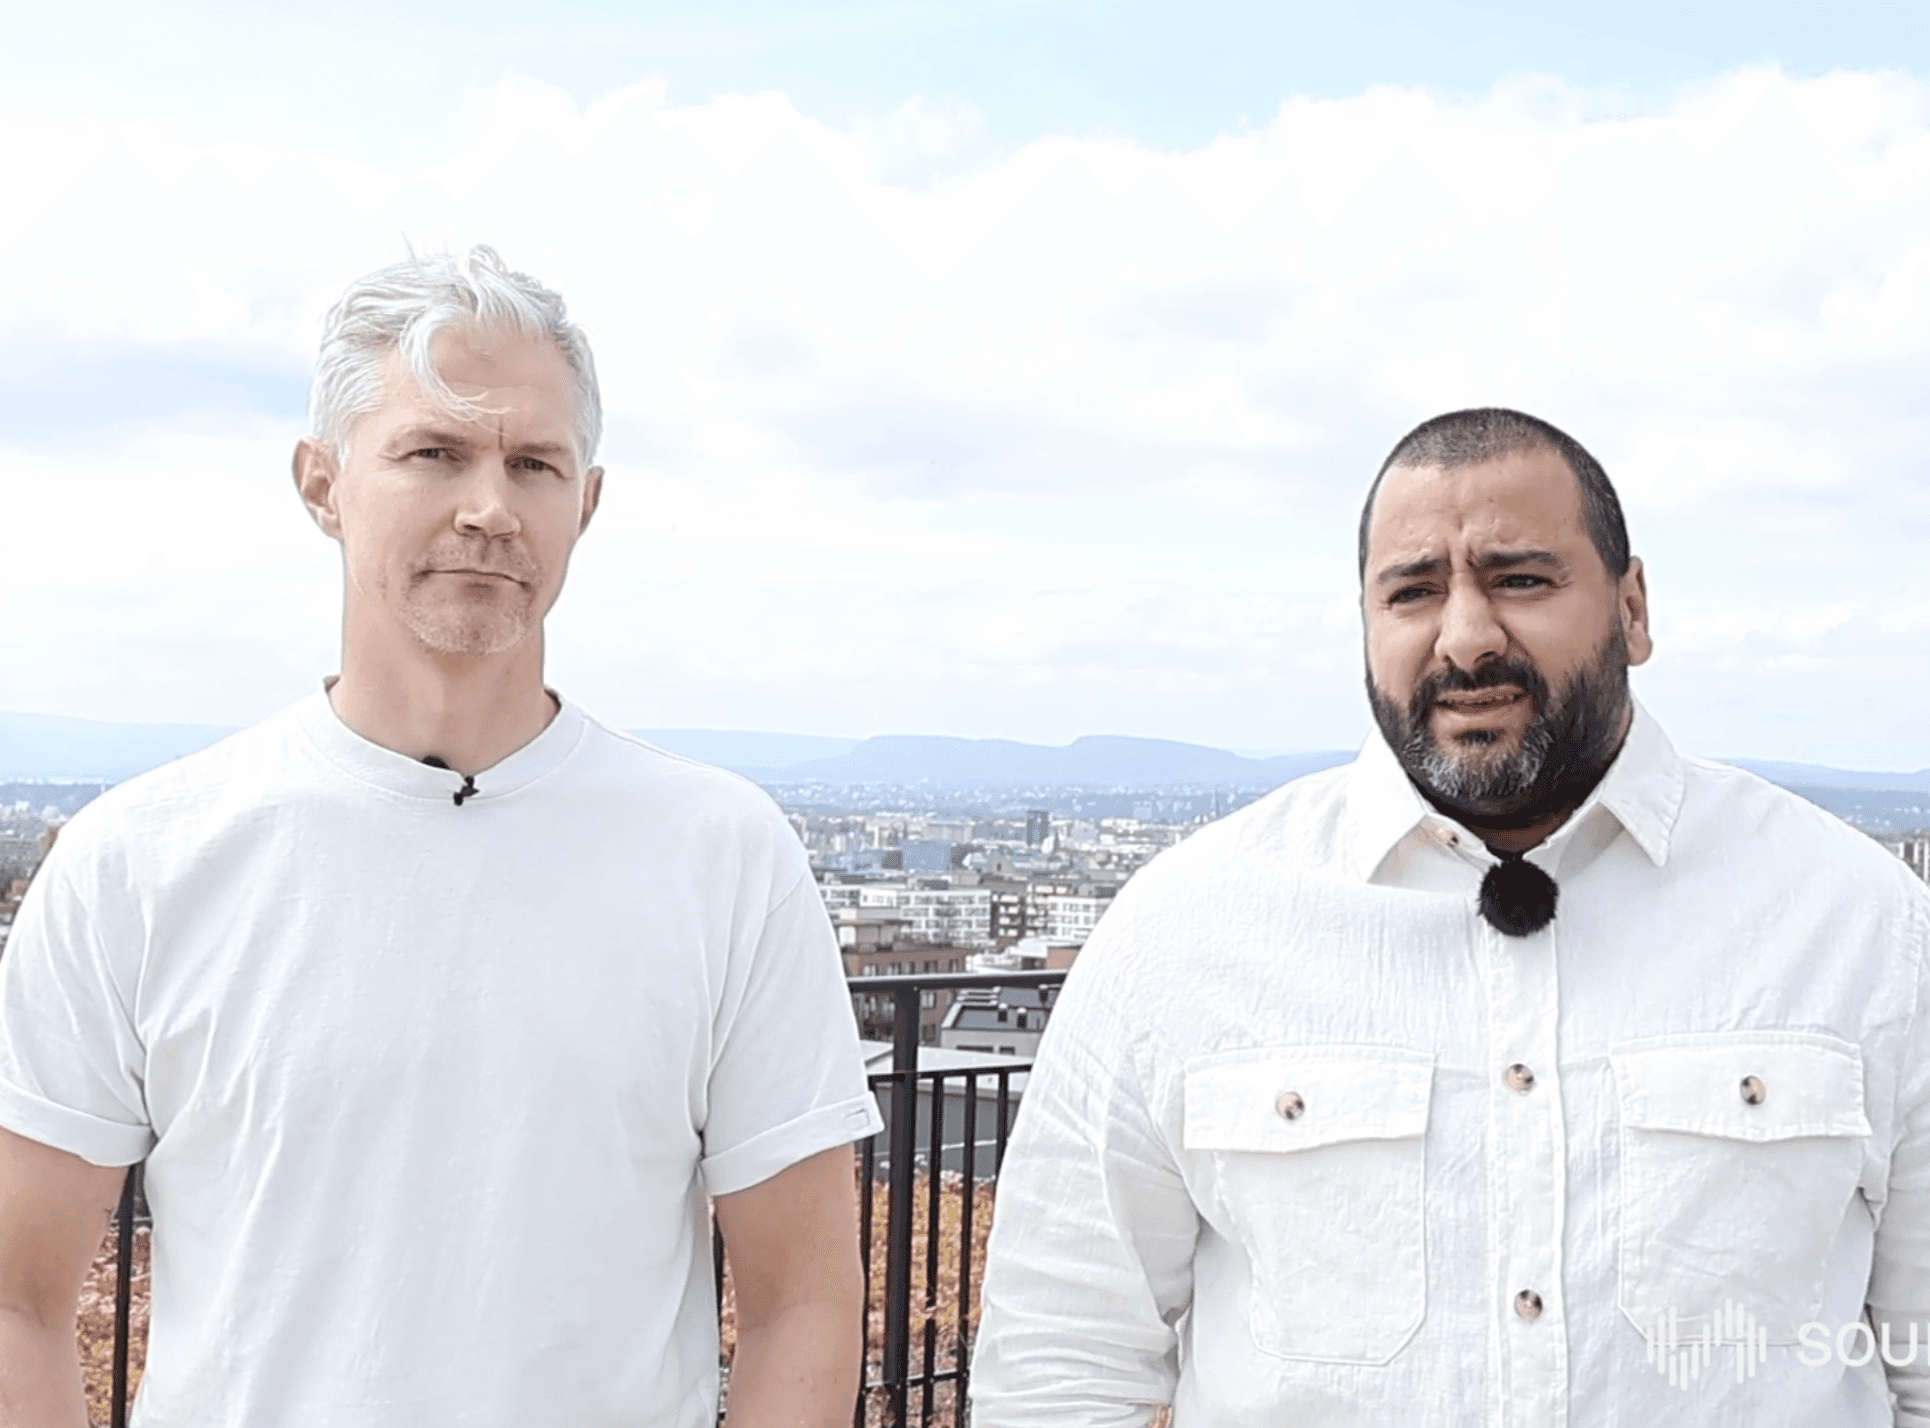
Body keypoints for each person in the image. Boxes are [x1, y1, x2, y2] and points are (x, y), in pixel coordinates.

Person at [0, 246, 881, 1428]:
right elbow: (15, 1295)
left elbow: (805, 1304)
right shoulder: (140, 861)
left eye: (534, 464)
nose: (489, 506)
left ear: (590, 501)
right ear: (321, 484)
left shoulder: (723, 856)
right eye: (433, 452)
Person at [970, 407, 1930, 1425]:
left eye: (1519, 578)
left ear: (1632, 608)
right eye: (1414, 592)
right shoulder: (1180, 933)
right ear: (1366, 626)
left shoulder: (1862, 925)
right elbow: (1060, 1363)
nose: (1466, 638)